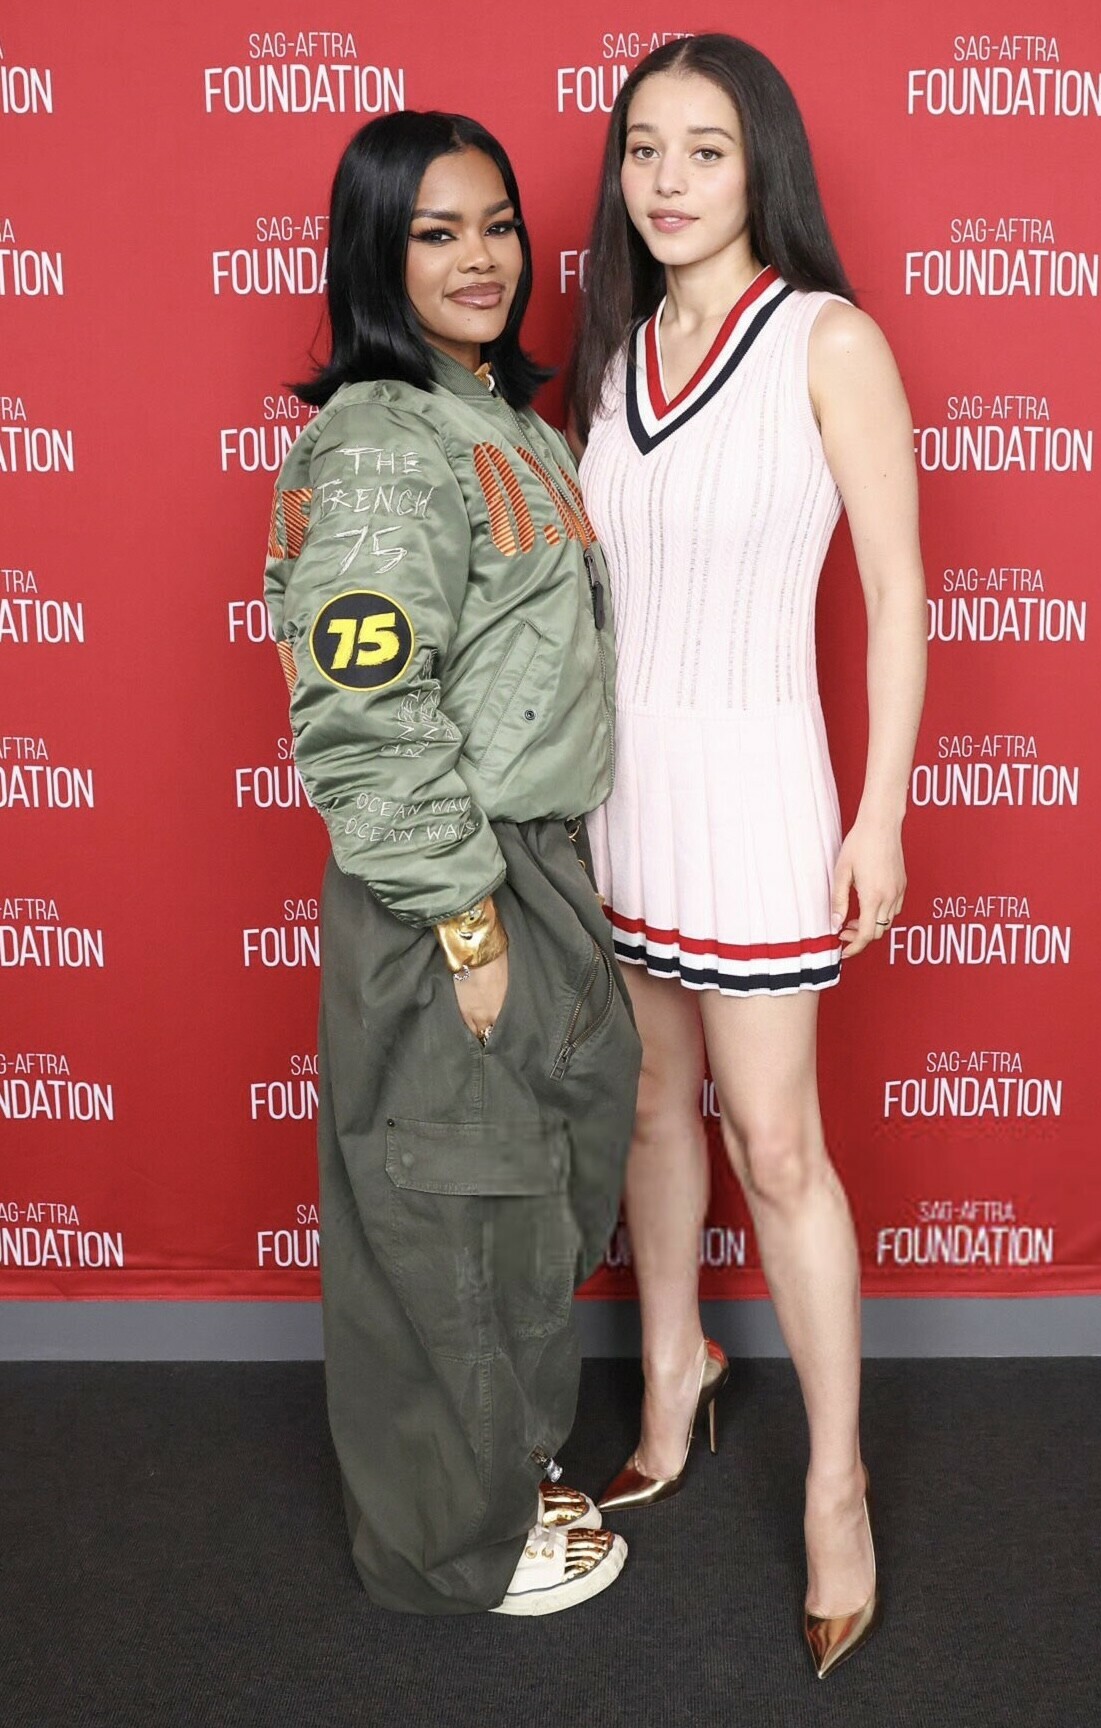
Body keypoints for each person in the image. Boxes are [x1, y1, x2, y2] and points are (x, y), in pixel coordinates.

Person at [570, 35, 927, 1675]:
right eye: (642, 147)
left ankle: (835, 1489)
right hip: (620, 790)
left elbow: (896, 595)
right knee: (651, 1108)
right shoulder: (613, 348)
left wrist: (877, 812)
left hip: (760, 785)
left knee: (777, 1149)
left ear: (759, 162)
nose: (665, 179)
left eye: (703, 149)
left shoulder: (826, 339)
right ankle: (672, 1377)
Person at [263, 109, 641, 1617]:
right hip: (453, 879)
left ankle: (502, 1480)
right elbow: (362, 709)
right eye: (436, 234)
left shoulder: (498, 419)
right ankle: (450, 1552)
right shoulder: (380, 441)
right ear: (377, 253)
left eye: (497, 226)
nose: (481, 259)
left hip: (530, 863)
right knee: (450, 1207)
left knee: (518, 1195)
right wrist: (466, 924)